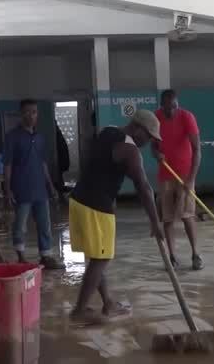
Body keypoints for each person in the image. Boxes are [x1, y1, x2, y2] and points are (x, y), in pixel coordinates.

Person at [68, 110, 164, 324]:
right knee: (101, 258)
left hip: (78, 200)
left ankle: (108, 303)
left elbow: (104, 164)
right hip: (96, 207)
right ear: (137, 128)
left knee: (96, 257)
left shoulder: (108, 131)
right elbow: (144, 188)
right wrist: (155, 222)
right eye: (148, 137)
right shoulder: (130, 150)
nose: (148, 142)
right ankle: (80, 311)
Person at [5, 99, 64, 269]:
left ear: (37, 114)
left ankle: (45, 256)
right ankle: (21, 256)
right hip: (21, 187)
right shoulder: (12, 137)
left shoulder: (39, 138)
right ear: (20, 114)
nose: (30, 115)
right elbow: (8, 164)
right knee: (20, 224)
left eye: (34, 112)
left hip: (40, 189)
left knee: (45, 224)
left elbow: (43, 164)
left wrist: (51, 186)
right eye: (27, 112)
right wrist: (8, 189)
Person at [153, 89, 203, 270]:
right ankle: (172, 257)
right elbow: (153, 147)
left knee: (187, 215)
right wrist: (156, 154)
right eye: (168, 109)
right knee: (167, 218)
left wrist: (191, 180)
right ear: (161, 106)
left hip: (185, 174)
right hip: (166, 174)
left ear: (177, 104)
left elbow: (197, 150)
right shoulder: (156, 118)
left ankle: (196, 254)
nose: (171, 111)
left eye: (174, 107)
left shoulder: (187, 117)